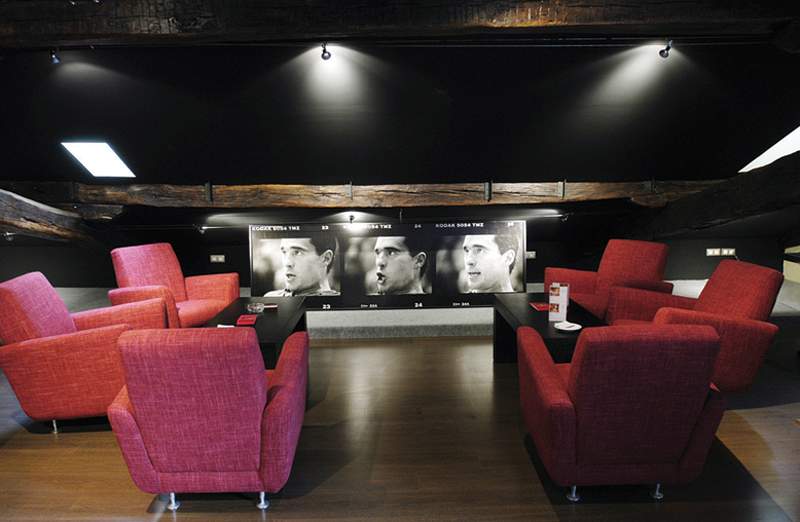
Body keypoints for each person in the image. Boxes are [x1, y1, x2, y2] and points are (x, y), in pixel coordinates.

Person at [265, 236, 340, 296]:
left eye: (297, 252)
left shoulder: (338, 305)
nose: (287, 263)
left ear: (326, 258)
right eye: (284, 252)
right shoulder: (270, 298)